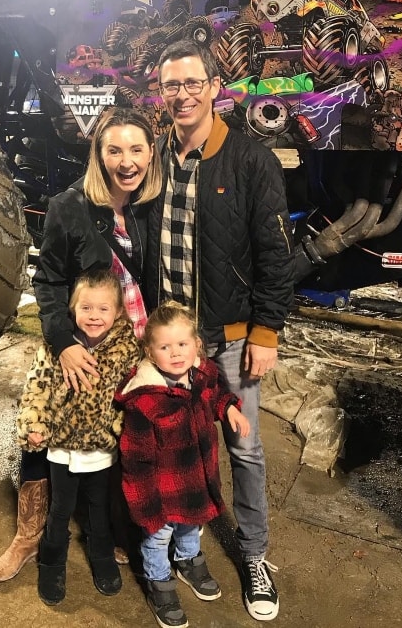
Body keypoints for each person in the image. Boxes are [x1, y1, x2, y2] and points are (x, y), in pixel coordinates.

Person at [144, 40, 295, 621]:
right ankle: (180, 544)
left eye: (191, 84)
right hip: (169, 345)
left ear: (213, 86)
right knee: (175, 446)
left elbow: (274, 255)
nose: (181, 95)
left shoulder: (250, 160)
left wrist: (266, 332)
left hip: (229, 338)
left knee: (244, 448)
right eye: (171, 86)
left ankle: (254, 554)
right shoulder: (157, 156)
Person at [0, 107, 162, 582]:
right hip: (77, 342)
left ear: (151, 154)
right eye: (115, 150)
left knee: (120, 433)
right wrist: (61, 343)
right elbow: (49, 280)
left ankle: (115, 527)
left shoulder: (154, 206)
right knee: (44, 431)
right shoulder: (69, 205)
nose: (127, 161)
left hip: (132, 345)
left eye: (137, 149)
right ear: (98, 155)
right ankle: (28, 535)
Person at [115, 301, 250, 628]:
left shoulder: (202, 375)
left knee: (193, 523)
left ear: (196, 346)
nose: (175, 353)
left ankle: (188, 560)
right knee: (158, 538)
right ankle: (159, 582)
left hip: (196, 478)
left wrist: (229, 407)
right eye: (164, 346)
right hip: (160, 491)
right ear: (149, 351)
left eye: (182, 344)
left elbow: (216, 394)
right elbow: (136, 458)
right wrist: (145, 504)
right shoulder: (145, 400)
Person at [17, 269, 140, 605]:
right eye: (86, 308)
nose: (94, 316)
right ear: (72, 309)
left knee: (98, 507)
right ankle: (52, 559)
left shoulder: (127, 349)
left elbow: (136, 391)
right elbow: (37, 388)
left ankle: (101, 553)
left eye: (103, 309)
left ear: (117, 312)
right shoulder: (56, 345)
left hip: (101, 448)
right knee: (60, 508)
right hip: (60, 448)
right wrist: (35, 424)